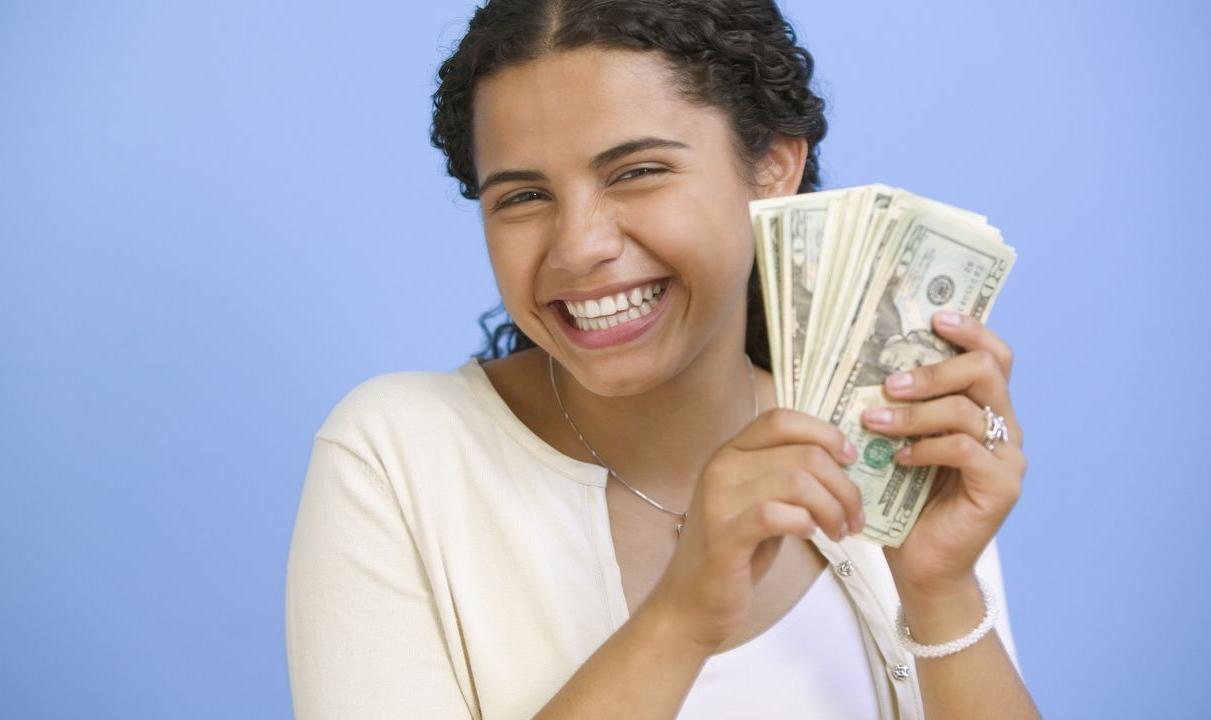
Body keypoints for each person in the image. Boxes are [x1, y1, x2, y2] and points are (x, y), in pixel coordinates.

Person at [285, 1, 1038, 718]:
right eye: (522, 197)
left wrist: (942, 592)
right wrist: (680, 616)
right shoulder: (394, 457)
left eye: (636, 172)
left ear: (772, 169)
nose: (579, 246)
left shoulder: (885, 443)